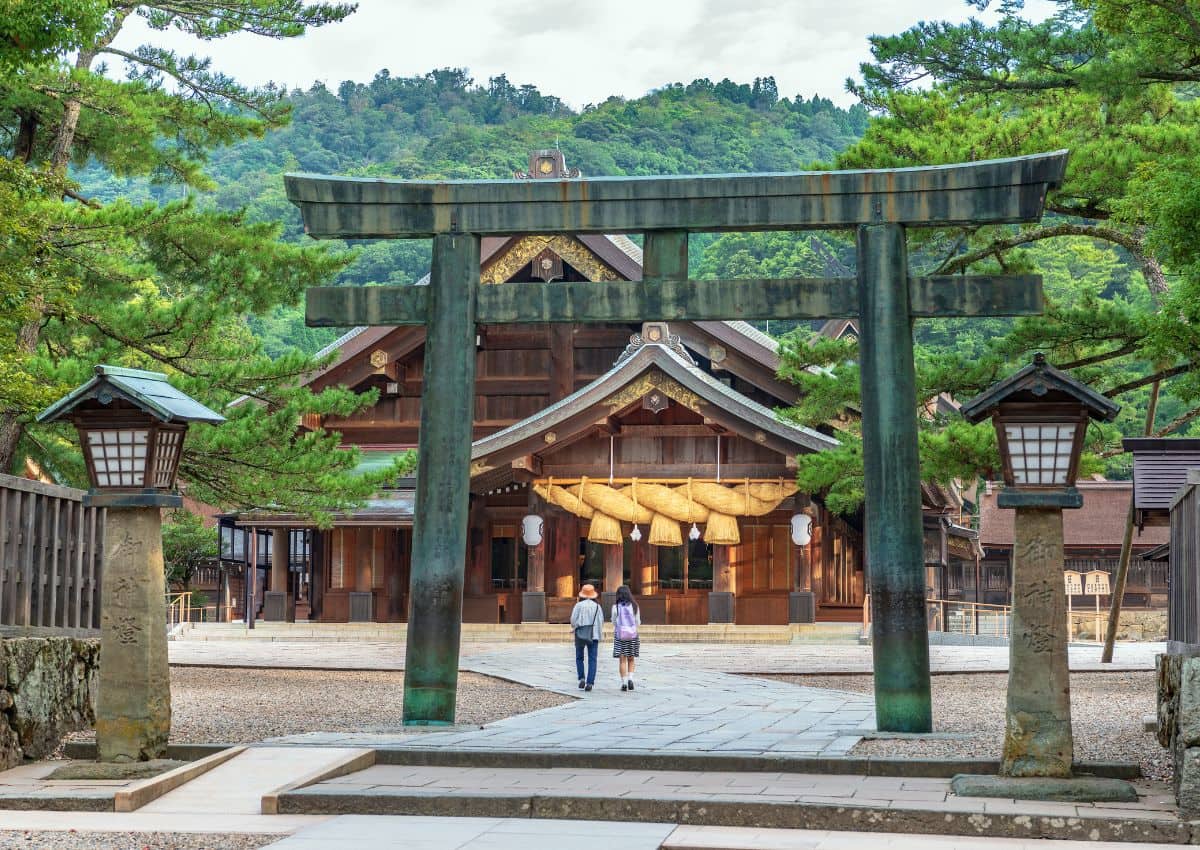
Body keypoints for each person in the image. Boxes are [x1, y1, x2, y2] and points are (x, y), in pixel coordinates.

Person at [569, 584, 603, 691]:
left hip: (580, 634)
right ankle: (590, 683)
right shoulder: (598, 607)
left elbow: (573, 620)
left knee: (579, 657)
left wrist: (575, 627)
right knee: (592, 659)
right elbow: (601, 621)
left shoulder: (578, 606)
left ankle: (581, 678)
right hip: (594, 634)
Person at [611, 585, 641, 691]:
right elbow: (638, 622)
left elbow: (614, 621)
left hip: (620, 636)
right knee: (631, 659)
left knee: (622, 660)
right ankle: (631, 679)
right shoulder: (635, 606)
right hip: (633, 635)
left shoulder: (616, 607)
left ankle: (623, 683)